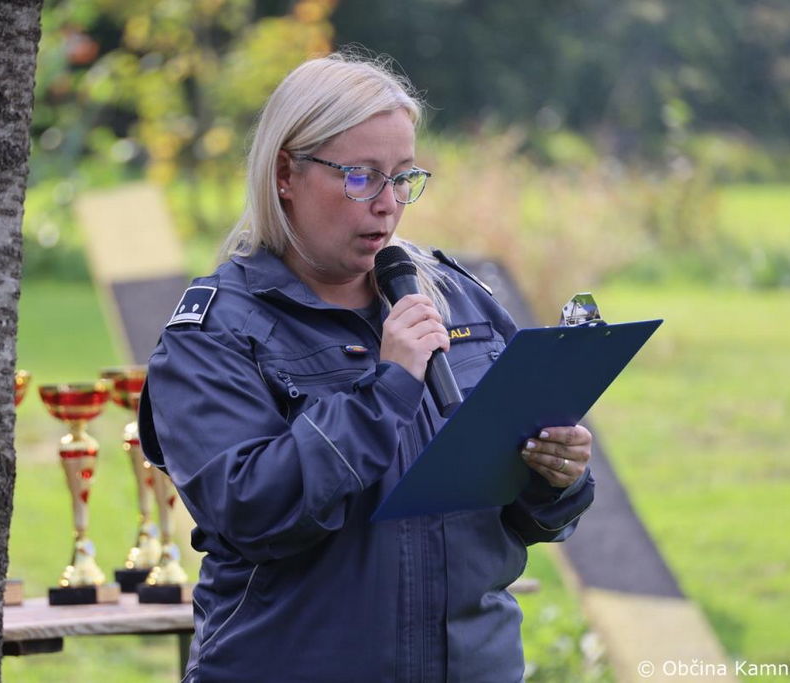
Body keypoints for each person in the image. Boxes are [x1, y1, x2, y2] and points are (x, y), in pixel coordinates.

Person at [138, 52, 595, 683]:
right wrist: (388, 389)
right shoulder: (216, 331)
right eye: (360, 177)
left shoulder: (459, 299)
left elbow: (522, 514)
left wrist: (558, 478)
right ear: (285, 174)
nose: (387, 205)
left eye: (403, 178)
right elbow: (252, 512)